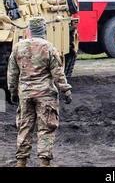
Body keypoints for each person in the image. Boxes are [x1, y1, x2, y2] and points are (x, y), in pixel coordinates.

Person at [7, 17, 72, 167]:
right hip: (45, 94)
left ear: (29, 30)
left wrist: (12, 92)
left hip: (25, 94)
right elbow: (58, 73)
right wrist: (66, 90)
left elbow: (12, 73)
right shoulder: (49, 48)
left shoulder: (18, 47)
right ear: (43, 30)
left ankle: (21, 161)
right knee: (46, 128)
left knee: (24, 127)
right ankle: (44, 162)